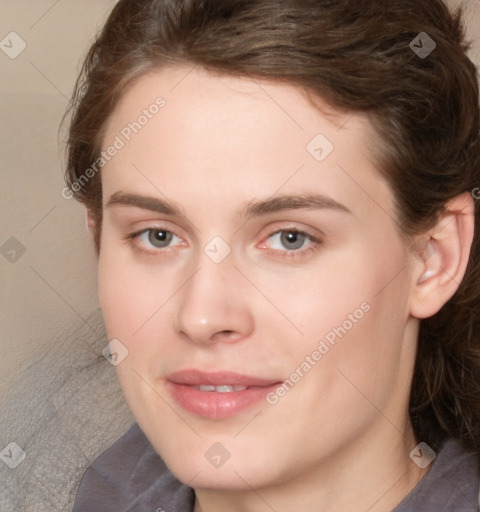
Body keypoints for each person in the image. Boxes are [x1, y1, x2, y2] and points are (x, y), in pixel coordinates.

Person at [63, 0, 480, 510]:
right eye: (157, 236)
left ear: (434, 259)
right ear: (99, 242)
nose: (202, 316)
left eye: (290, 238)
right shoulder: (104, 491)